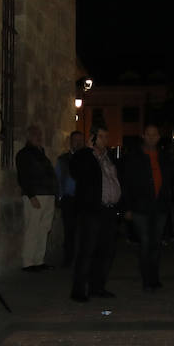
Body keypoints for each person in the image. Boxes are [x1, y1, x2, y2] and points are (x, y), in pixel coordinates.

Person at [70, 125, 121, 302]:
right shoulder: (85, 157)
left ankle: (97, 287)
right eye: (101, 137)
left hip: (109, 210)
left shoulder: (109, 157)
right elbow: (75, 170)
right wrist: (87, 150)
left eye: (107, 136)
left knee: (106, 251)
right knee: (87, 250)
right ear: (92, 138)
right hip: (92, 210)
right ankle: (78, 290)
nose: (105, 140)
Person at [122, 124, 173, 291]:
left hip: (159, 207)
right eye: (148, 135)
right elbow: (126, 184)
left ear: (159, 137)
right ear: (143, 136)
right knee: (145, 242)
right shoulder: (134, 157)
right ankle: (147, 279)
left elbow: (171, 180)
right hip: (140, 207)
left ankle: (154, 277)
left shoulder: (164, 156)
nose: (152, 137)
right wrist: (127, 207)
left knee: (156, 243)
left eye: (155, 134)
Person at [15, 125, 58, 272]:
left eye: (39, 134)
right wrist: (31, 195)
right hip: (36, 195)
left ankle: (39, 260)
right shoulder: (24, 154)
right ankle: (28, 262)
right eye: (35, 134)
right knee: (32, 228)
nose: (38, 137)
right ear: (29, 137)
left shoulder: (41, 153)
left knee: (44, 228)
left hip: (48, 194)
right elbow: (23, 176)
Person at [55, 130, 84, 267]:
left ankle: (81, 258)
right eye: (75, 140)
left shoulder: (88, 159)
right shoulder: (63, 159)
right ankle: (69, 258)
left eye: (80, 140)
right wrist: (60, 197)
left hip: (84, 199)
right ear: (71, 142)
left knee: (83, 230)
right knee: (69, 230)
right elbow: (58, 179)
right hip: (69, 199)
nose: (78, 142)